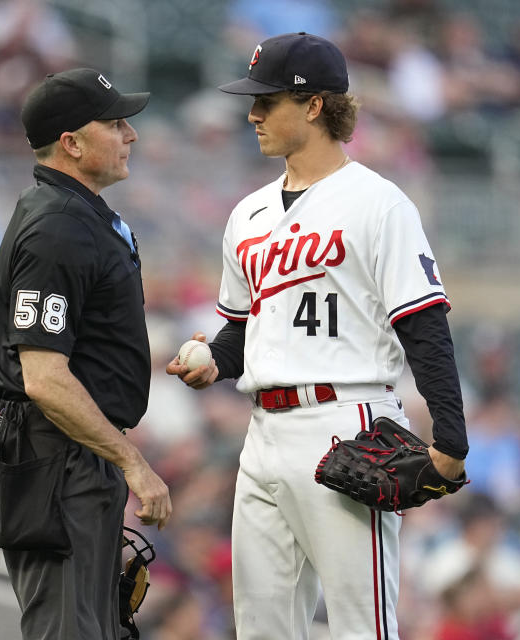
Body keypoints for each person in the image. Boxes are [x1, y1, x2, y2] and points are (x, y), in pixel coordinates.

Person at [166, 32, 468, 639]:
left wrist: (452, 442)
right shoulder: (246, 214)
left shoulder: (378, 203)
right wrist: (213, 363)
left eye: (267, 100)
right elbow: (240, 331)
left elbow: (423, 323)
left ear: (313, 105)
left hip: (348, 420)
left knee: (361, 627)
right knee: (263, 628)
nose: (252, 113)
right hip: (263, 433)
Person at [0, 68, 171, 640]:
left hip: (73, 455)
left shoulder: (77, 214)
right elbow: (45, 379)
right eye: (116, 122)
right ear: (72, 143)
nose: (132, 135)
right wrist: (133, 462)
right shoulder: (57, 226)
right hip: (58, 458)